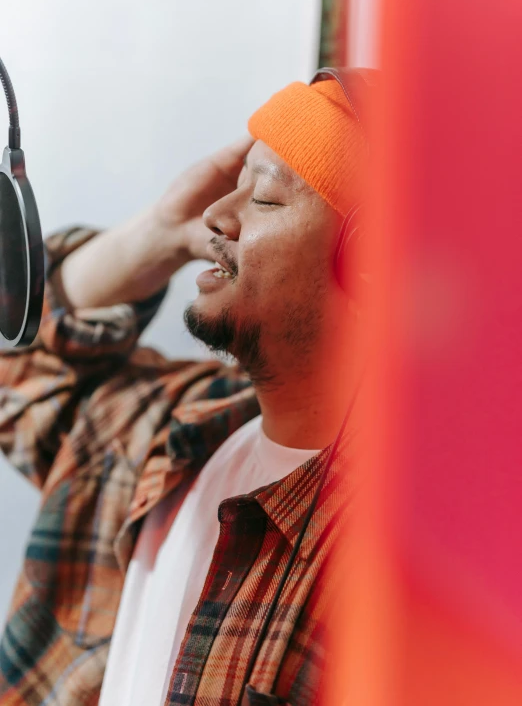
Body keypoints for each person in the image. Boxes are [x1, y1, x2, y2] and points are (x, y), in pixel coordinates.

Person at [0, 71, 370, 706]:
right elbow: (21, 368)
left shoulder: (384, 561)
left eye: (267, 200)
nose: (215, 217)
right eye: (235, 184)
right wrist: (158, 233)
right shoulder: (174, 432)